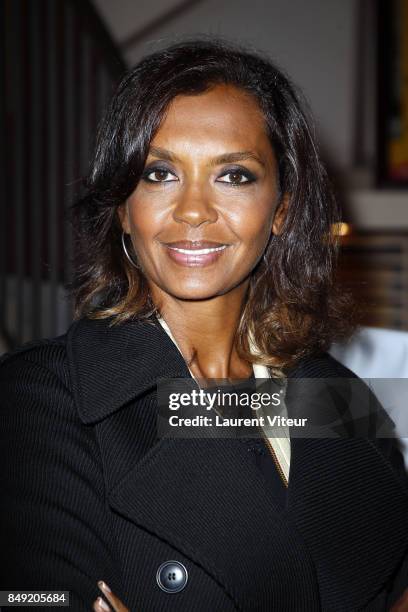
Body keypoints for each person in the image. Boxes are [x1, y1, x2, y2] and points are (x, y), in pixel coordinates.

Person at [1, 38, 408, 612]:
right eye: (160, 173)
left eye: (234, 176)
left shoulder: (334, 393)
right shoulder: (40, 398)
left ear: (282, 209)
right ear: (123, 204)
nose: (193, 211)